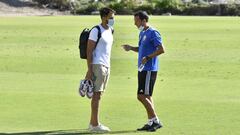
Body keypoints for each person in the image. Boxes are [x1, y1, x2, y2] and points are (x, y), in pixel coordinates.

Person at [122, 11, 165, 132]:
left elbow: (161, 49)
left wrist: (148, 57)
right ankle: (151, 121)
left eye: (136, 21)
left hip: (149, 69)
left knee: (141, 96)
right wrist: (131, 48)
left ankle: (156, 120)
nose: (135, 23)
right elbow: (141, 49)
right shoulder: (142, 33)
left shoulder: (153, 33)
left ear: (144, 20)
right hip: (142, 69)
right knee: (147, 96)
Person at [85, 7, 115, 133]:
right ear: (104, 17)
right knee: (96, 95)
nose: (113, 20)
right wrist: (89, 69)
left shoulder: (111, 30)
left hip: (106, 65)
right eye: (111, 17)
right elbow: (89, 51)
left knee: (99, 94)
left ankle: (93, 123)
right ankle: (95, 124)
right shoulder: (95, 30)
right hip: (97, 65)